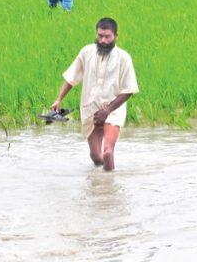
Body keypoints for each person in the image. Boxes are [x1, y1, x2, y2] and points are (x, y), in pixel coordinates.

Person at [51, 17, 139, 171]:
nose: (103, 40)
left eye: (107, 37)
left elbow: (129, 90)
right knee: (96, 156)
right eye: (100, 36)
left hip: (113, 110)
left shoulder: (124, 58)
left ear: (116, 36)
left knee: (107, 152)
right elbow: (72, 77)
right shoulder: (87, 52)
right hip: (90, 109)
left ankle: (109, 191)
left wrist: (107, 111)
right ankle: (99, 184)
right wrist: (59, 99)